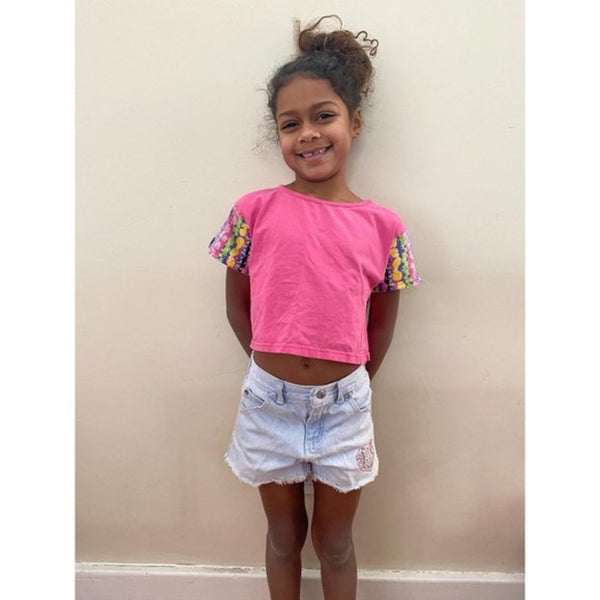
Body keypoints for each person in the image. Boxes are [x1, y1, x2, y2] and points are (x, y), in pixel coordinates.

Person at [208, 15, 421, 600]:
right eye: (290, 123)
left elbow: (383, 319)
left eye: (323, 116)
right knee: (283, 537)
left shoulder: (384, 226)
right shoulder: (253, 211)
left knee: (335, 543)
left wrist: (356, 381)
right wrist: (267, 366)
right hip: (267, 403)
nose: (307, 134)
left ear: (355, 122)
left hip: (345, 407)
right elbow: (237, 304)